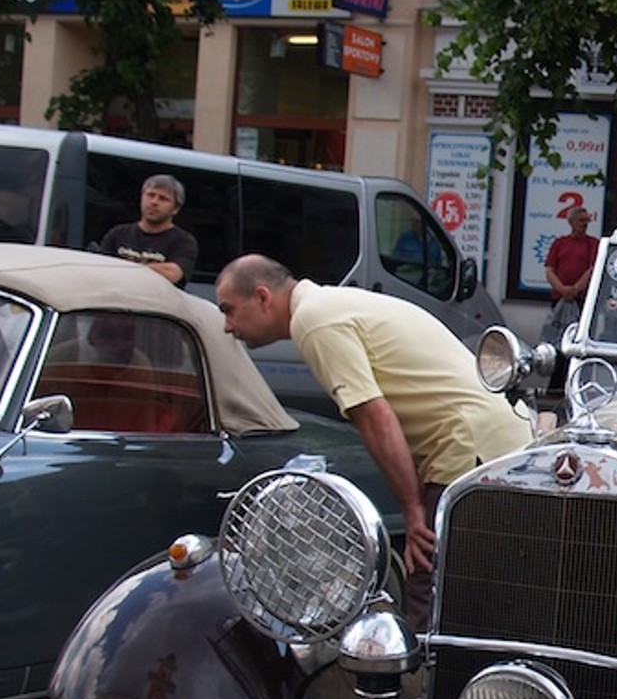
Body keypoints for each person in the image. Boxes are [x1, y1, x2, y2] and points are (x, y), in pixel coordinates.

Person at [213, 255, 532, 624]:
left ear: (263, 297)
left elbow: (374, 416)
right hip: (493, 436)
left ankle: (422, 681)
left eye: (229, 310)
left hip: (469, 444)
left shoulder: (313, 321)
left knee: (429, 591)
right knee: (475, 588)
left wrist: (412, 511)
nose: (227, 326)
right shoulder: (330, 305)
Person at [95, 175, 199, 287]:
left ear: (175, 209)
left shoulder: (183, 241)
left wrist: (123, 269)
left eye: (163, 198)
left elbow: (172, 273)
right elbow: (101, 270)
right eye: (150, 195)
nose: (154, 202)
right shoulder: (117, 234)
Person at [544, 206, 598, 333]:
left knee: (579, 330)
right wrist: (562, 289)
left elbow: (592, 269)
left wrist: (575, 289)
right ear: (571, 222)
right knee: (556, 330)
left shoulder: (593, 243)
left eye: (586, 221)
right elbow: (549, 269)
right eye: (581, 220)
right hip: (559, 297)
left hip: (582, 298)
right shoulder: (560, 243)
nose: (584, 224)